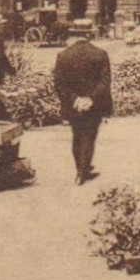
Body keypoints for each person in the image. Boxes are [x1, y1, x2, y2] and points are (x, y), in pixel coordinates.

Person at [53, 35, 113, 185]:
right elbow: (105, 81)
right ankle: (83, 172)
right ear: (89, 35)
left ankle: (81, 169)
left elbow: (60, 83)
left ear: (73, 35)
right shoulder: (100, 54)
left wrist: (75, 99)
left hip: (73, 104)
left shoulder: (63, 55)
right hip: (94, 104)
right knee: (89, 135)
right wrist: (90, 99)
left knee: (77, 135)